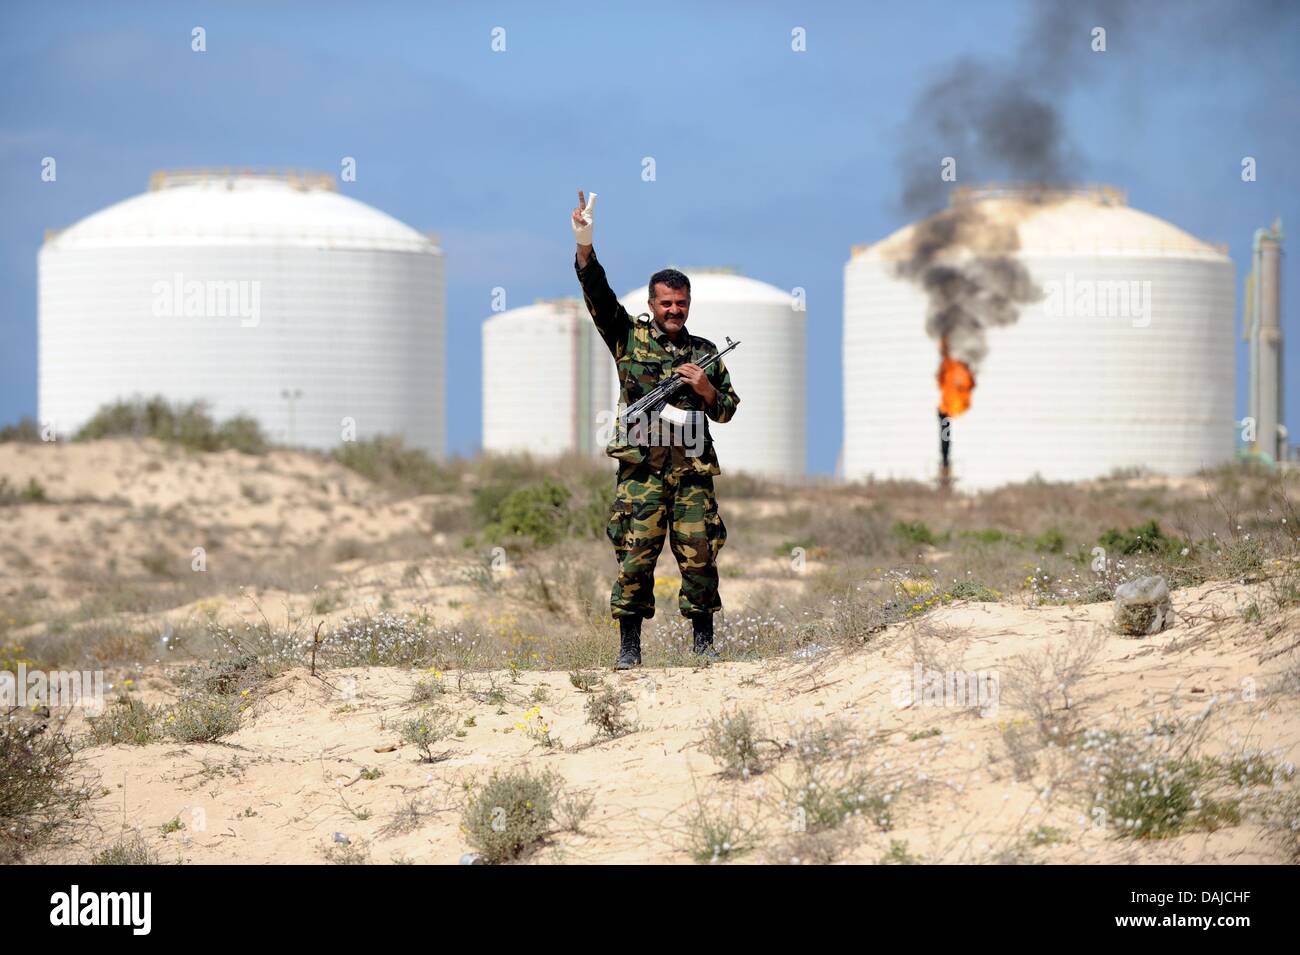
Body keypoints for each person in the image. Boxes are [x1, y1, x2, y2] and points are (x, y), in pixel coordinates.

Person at [571, 190, 740, 670]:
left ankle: (703, 645)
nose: (674, 311)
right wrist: (585, 241)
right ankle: (629, 649)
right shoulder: (628, 337)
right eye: (666, 303)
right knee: (636, 557)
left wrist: (705, 388)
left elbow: (726, 410)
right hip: (642, 473)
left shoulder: (705, 351)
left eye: (681, 304)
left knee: (700, 555)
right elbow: (597, 295)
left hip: (691, 473)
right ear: (651, 304)